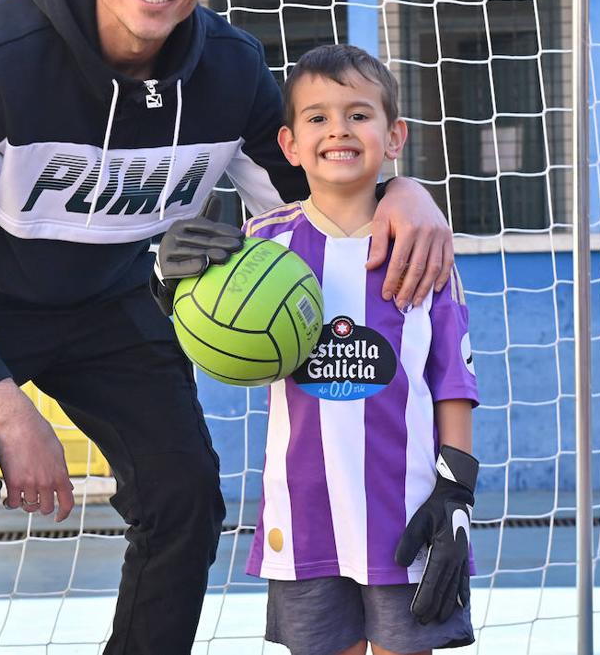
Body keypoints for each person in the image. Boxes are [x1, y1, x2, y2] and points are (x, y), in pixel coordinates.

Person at [0, 0, 456, 655]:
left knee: (184, 494)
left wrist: (403, 193)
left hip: (108, 302)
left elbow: (319, 192)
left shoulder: (229, 73)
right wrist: (14, 417)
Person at [159, 45, 480, 655]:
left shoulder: (424, 249)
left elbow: (454, 382)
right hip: (302, 513)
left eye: (359, 115)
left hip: (406, 512)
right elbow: (202, 327)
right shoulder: (259, 247)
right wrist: (168, 285)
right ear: (288, 145)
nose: (339, 129)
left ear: (394, 138)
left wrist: (456, 492)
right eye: (318, 118)